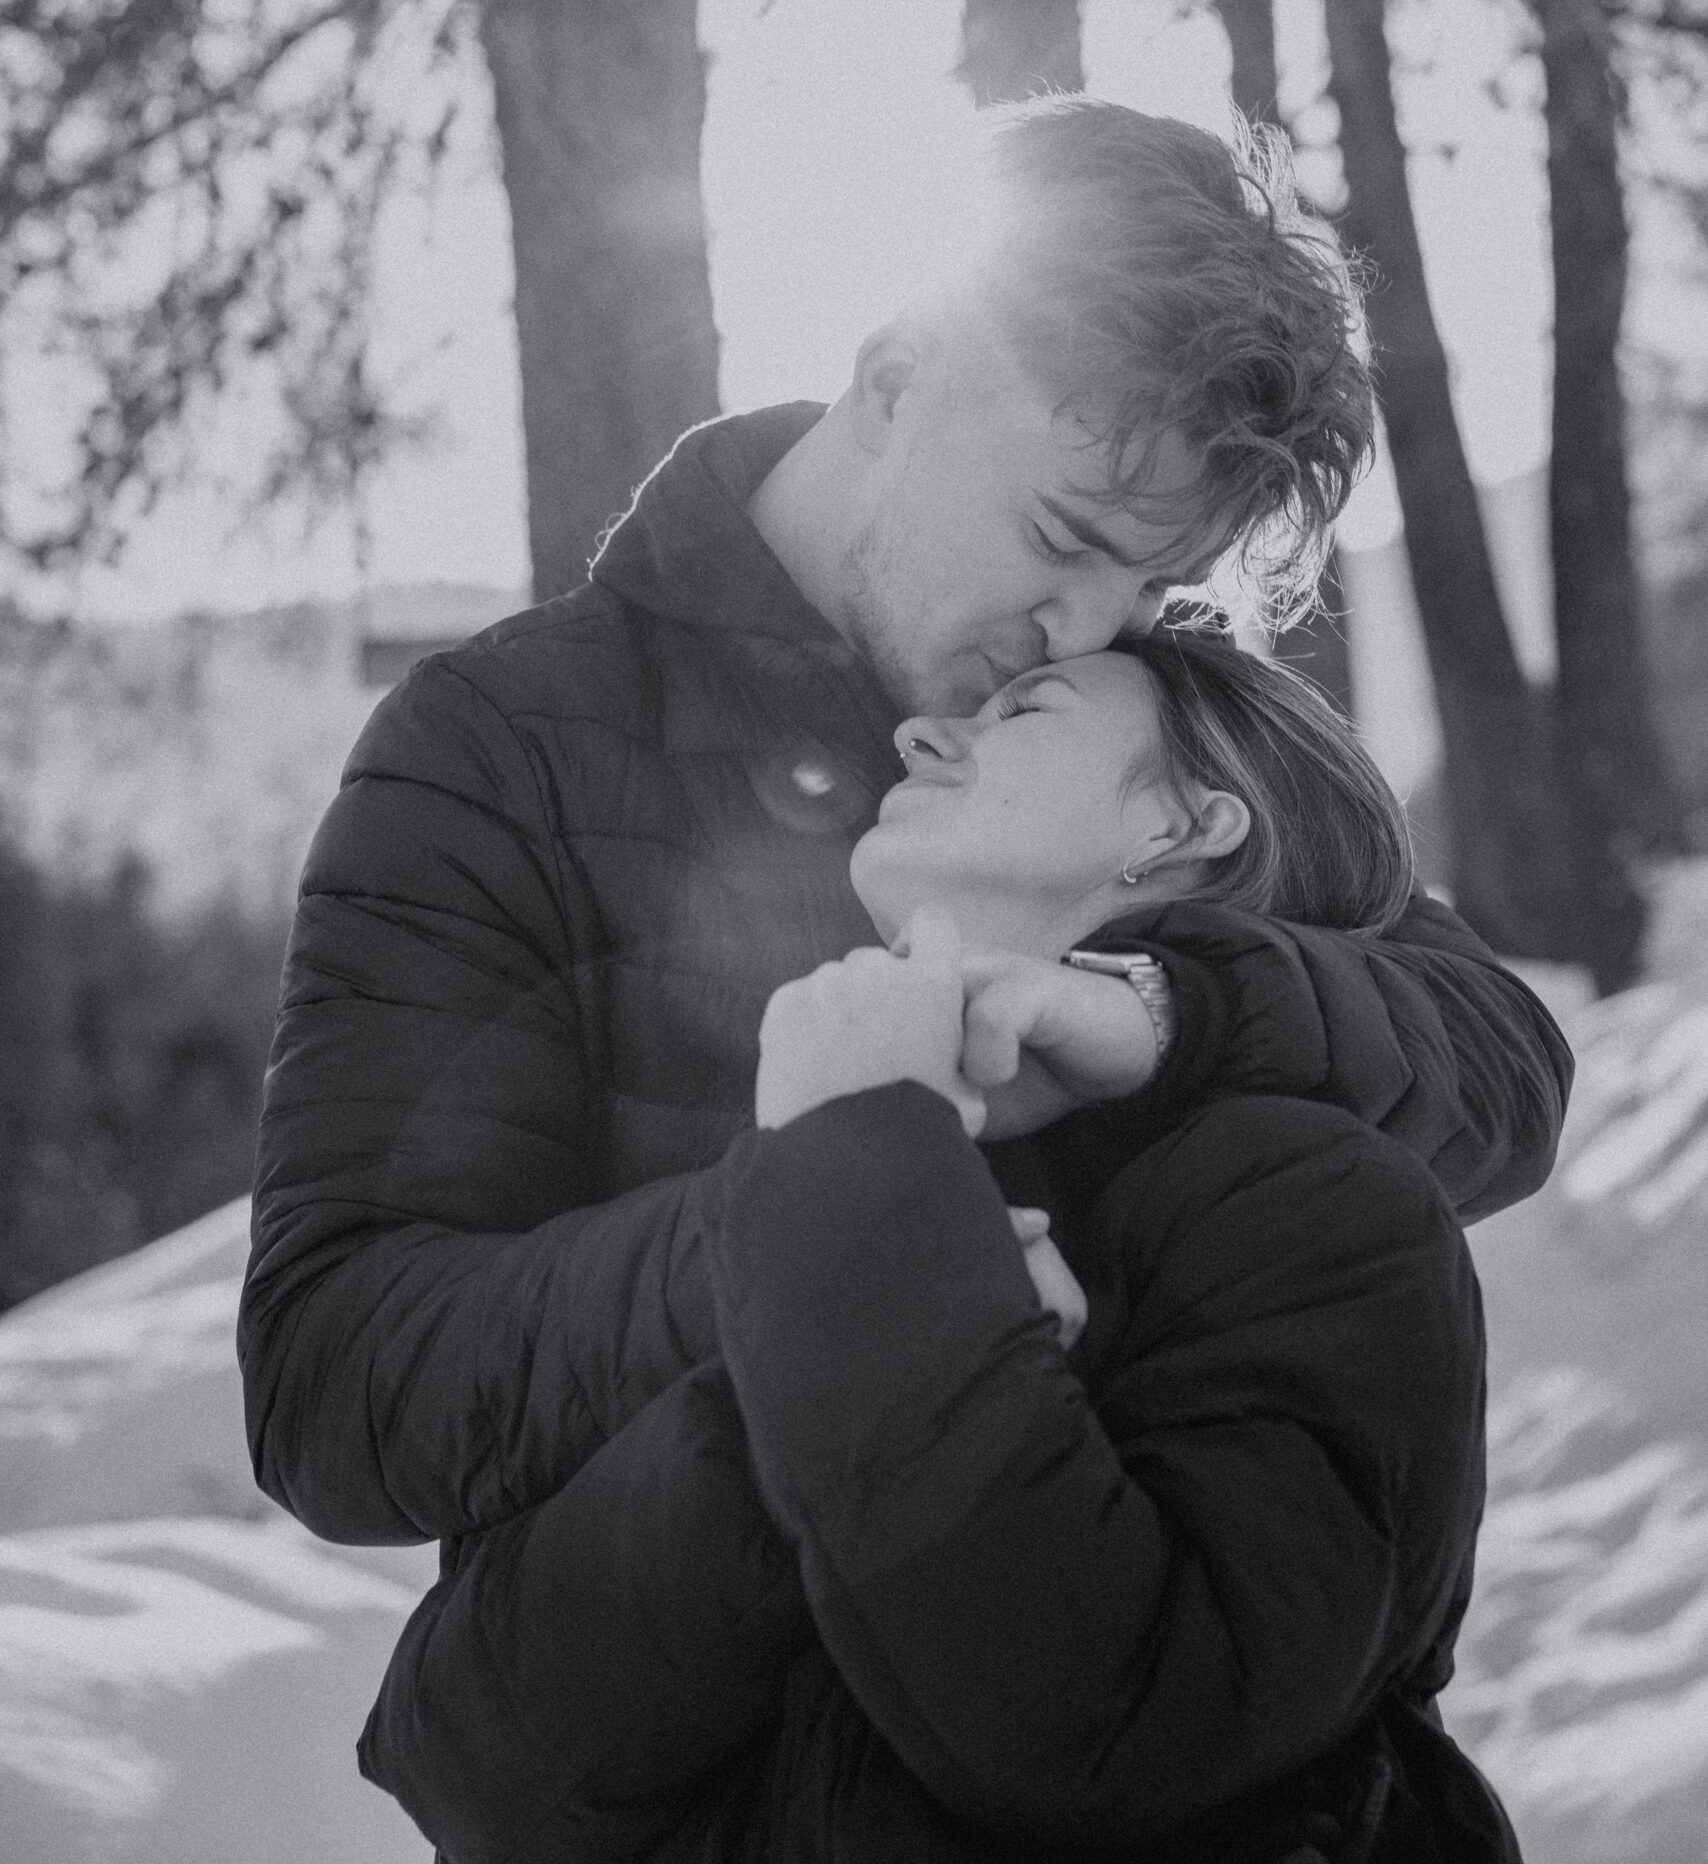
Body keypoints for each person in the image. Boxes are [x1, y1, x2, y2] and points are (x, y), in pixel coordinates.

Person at [238, 98, 1569, 1571]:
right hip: (683, 1751)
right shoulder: (496, 748)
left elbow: (1502, 1065)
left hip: (1150, 1727)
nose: (1085, 626)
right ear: (894, 377)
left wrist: (1175, 1009)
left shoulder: (1137, 706)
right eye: (1063, 537)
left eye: (1149, 582)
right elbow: (335, 1381)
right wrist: (794, 1240)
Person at [358, 622, 1520, 1861]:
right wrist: (809, 1373)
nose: (916, 733)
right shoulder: (805, 1197)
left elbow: (1120, 1734)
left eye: (1027, 712)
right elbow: (455, 1763)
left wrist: (878, 1256)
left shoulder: (1316, 1202)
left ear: (1187, 823)